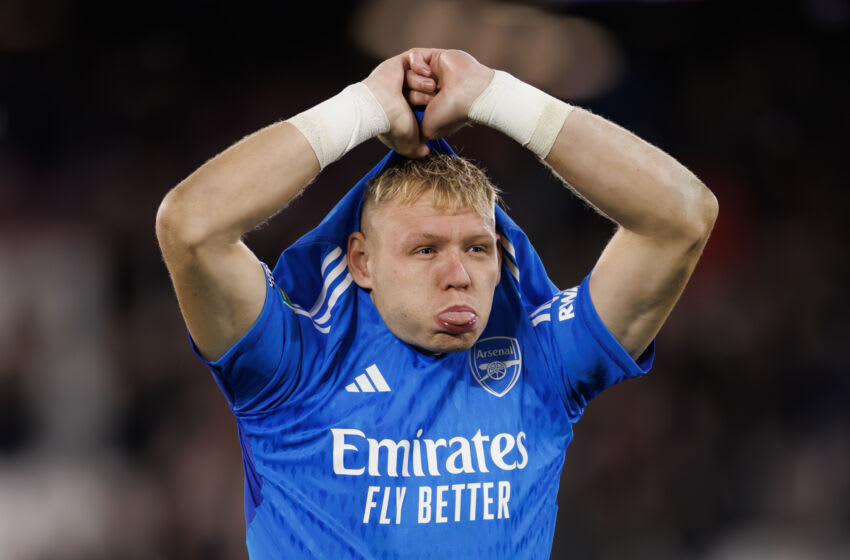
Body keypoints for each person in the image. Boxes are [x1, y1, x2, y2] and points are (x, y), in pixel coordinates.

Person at [155, 48, 717, 559]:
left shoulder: (542, 357)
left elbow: (683, 217)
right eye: (425, 250)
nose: (458, 275)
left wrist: (499, 96)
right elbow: (189, 226)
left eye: (477, 248)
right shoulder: (295, 363)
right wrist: (361, 108)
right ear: (361, 261)